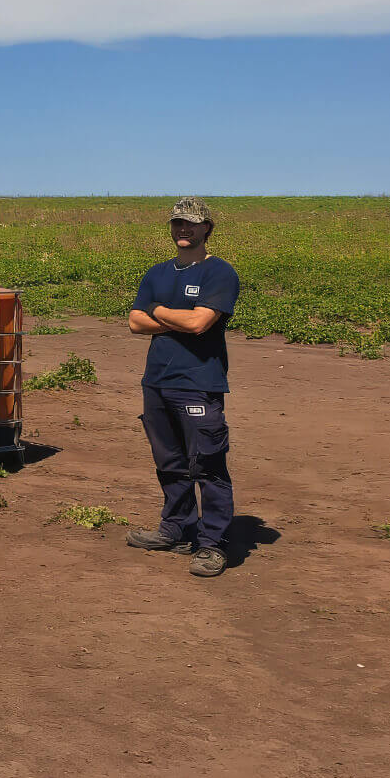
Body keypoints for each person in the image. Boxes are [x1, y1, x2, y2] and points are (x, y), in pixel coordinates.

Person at [123, 197, 240, 578]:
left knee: (207, 464)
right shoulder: (156, 273)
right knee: (169, 463)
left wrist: (158, 311)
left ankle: (212, 544)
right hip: (156, 381)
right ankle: (175, 528)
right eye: (177, 224)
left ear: (207, 228)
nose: (183, 230)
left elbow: (199, 324)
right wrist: (176, 317)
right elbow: (133, 323)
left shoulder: (220, 274)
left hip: (198, 383)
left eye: (190, 224)